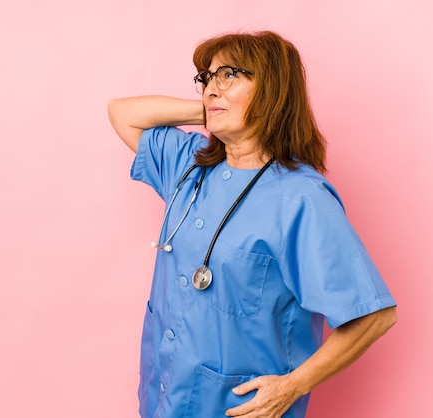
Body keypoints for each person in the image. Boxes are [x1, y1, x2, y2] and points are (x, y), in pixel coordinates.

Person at [107, 31, 397, 418]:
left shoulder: (300, 199)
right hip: (163, 400)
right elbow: (121, 112)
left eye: (228, 75)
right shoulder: (189, 165)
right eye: (207, 78)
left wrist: (292, 386)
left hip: (233, 408)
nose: (211, 88)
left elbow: (374, 315)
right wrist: (213, 110)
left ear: (272, 91)